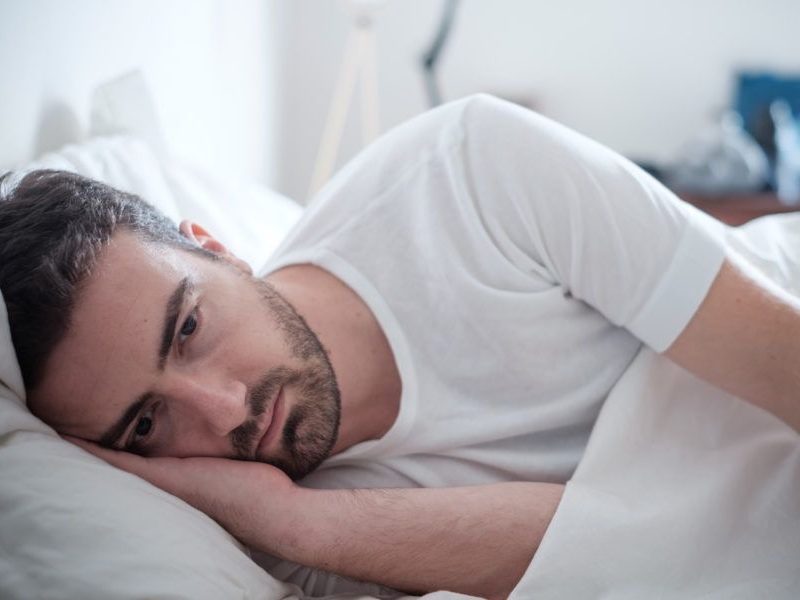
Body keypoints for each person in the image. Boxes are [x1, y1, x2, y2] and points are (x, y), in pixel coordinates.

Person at [0, 94, 798, 598]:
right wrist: (297, 523)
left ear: (217, 248)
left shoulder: (471, 173)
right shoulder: (254, 522)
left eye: (189, 327)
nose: (225, 410)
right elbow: (617, 556)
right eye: (146, 423)